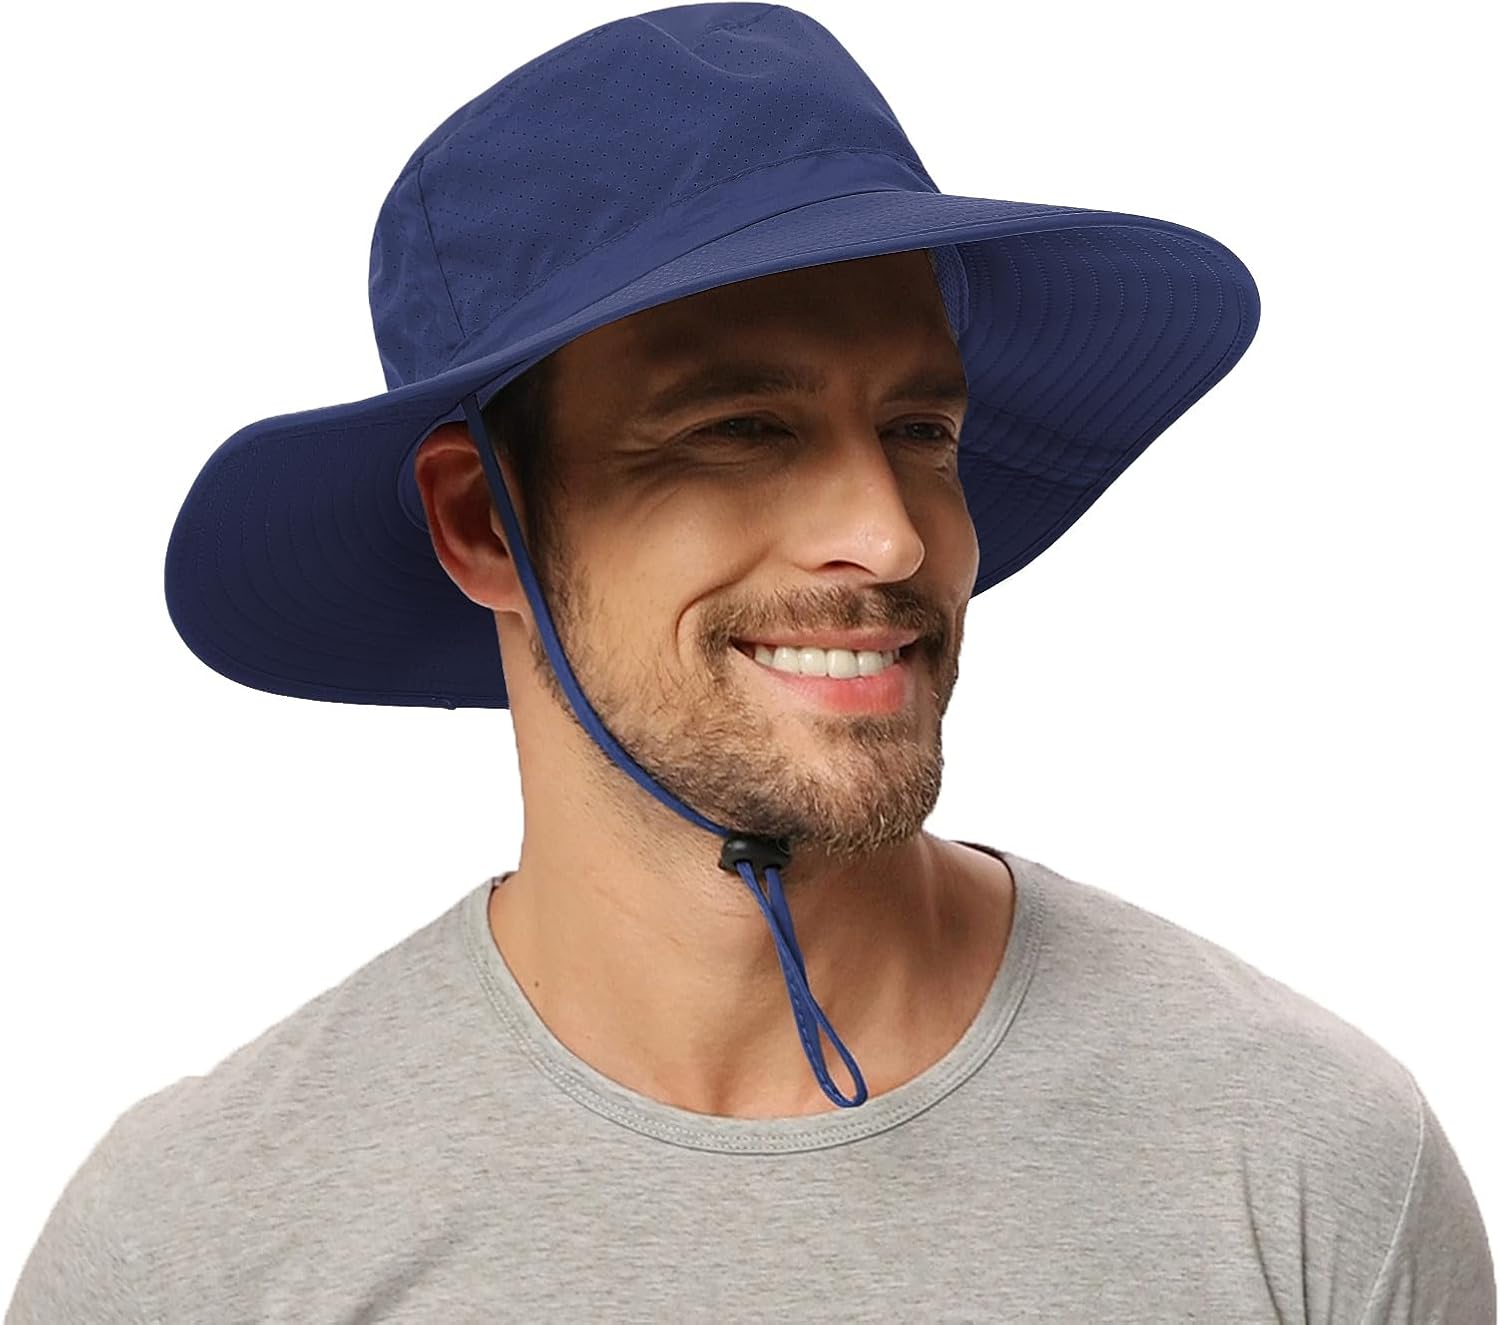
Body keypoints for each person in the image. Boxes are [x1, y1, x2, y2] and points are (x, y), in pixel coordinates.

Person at [8, 4, 1493, 1321]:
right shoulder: (204, 1241)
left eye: (919, 429)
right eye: (741, 430)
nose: (890, 535)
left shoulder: (1300, 1160)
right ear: (482, 522)